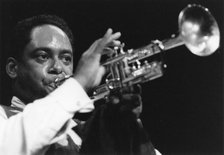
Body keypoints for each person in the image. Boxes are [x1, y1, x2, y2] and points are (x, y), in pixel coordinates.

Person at [0, 15, 160, 155]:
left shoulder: (88, 131)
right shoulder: (4, 119)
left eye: (66, 59)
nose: (58, 68)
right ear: (13, 68)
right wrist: (80, 82)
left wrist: (125, 127)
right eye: (43, 56)